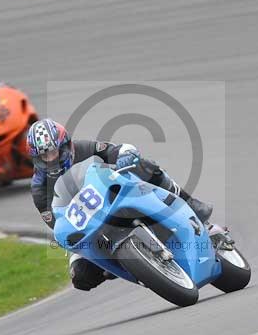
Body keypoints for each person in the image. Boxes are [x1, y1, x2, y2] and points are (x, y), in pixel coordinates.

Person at [27, 118, 213, 291]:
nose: (51, 159)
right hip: (87, 224)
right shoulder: (39, 189)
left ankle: (190, 202)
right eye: (44, 156)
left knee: (145, 166)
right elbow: (56, 223)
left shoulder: (83, 148)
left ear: (65, 145)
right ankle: (123, 266)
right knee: (80, 277)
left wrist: (124, 155)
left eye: (54, 152)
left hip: (112, 196)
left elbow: (113, 150)